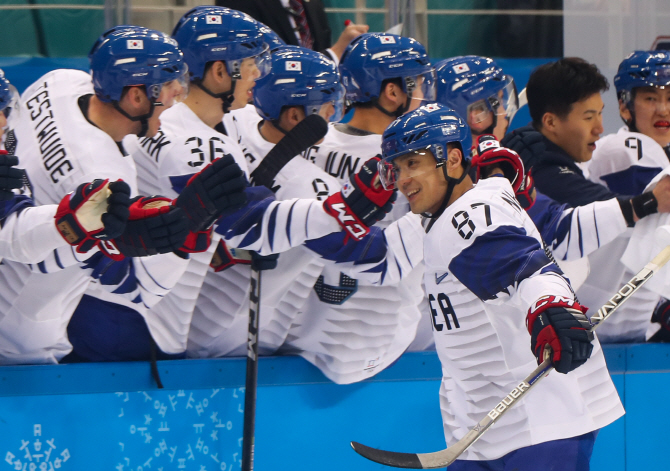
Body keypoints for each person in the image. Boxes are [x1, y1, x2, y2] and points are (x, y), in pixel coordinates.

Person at [314, 103, 624, 469]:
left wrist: (550, 305)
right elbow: (378, 256)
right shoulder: (436, 218)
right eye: (396, 168)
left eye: (413, 163)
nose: (401, 180)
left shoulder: (469, 211)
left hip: (539, 424)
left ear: (454, 159)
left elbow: (521, 265)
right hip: (483, 430)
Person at [0, 26, 199, 365]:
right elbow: (136, 288)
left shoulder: (60, 82)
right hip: (19, 335)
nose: (178, 92)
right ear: (136, 97)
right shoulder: (102, 176)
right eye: (167, 84)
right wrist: (190, 227)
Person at [187, 44, 345, 359]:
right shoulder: (318, 186)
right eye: (327, 106)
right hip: (245, 331)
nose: (332, 113)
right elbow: (342, 279)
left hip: (188, 306)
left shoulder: (233, 122)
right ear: (295, 115)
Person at [574, 51, 670, 343]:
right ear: (625, 106)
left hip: (637, 321)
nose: (663, 110)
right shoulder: (619, 149)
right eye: (650, 98)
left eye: (669, 98)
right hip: (593, 316)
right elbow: (650, 187)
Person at [215, 0, 369, 62]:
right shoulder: (239, 3)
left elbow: (318, 49)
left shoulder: (312, 4)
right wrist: (335, 52)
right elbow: (256, 63)